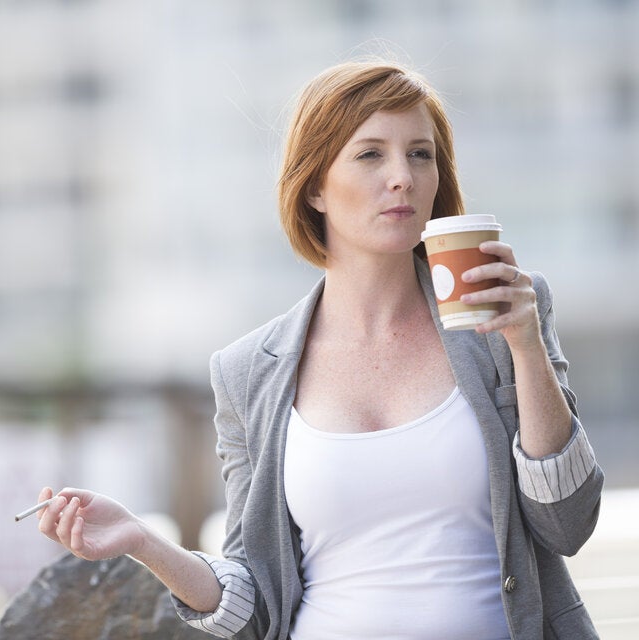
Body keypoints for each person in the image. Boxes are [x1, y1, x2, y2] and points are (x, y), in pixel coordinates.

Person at [30, 59, 603, 639]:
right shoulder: (247, 372)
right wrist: (141, 540)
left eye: (420, 153)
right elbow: (255, 604)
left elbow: (569, 524)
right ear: (314, 188)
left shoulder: (506, 317)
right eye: (370, 153)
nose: (402, 176)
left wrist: (527, 351)